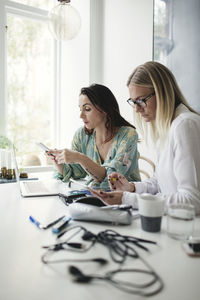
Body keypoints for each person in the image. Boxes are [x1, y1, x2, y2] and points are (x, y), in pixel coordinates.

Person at [91, 61, 200, 214]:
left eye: (141, 100)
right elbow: (160, 183)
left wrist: (127, 199)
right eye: (133, 102)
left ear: (162, 92)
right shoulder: (167, 127)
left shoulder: (185, 125)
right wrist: (131, 188)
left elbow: (192, 201)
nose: (136, 109)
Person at [48, 83, 140, 189]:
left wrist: (80, 158)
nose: (81, 116)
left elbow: (113, 179)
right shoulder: (82, 135)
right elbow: (76, 172)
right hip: (95, 197)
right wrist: (58, 161)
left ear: (104, 109)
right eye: (80, 109)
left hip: (126, 200)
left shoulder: (128, 135)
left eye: (87, 109)